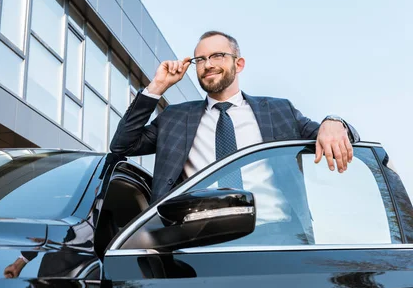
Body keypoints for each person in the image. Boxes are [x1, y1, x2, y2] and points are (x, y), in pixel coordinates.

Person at [110, 30, 359, 204]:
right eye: (200, 59)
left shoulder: (279, 112)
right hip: (193, 235)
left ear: (238, 64)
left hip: (277, 232)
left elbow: (343, 139)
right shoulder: (175, 118)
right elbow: (123, 144)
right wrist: (157, 86)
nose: (208, 64)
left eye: (218, 56)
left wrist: (335, 122)